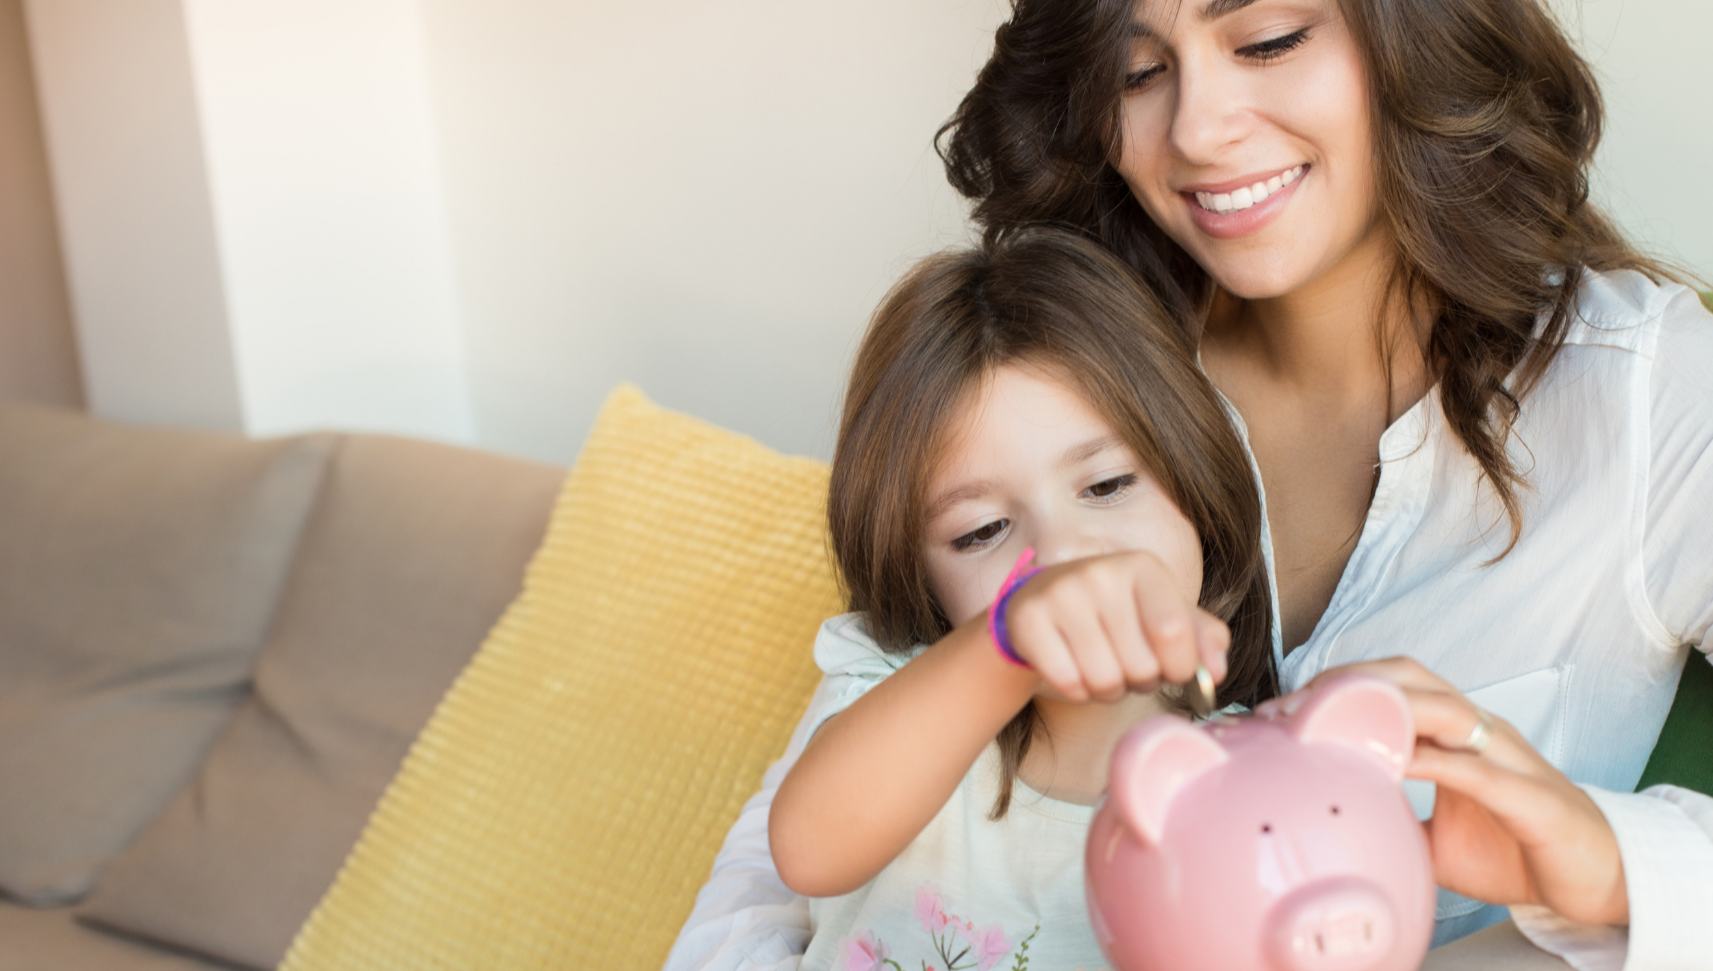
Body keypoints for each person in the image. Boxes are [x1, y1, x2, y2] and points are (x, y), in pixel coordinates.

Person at [665, 0, 1713, 968]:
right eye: (1135, 72)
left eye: (1265, 39)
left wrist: (1610, 860)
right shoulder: (1069, 368)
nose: (1199, 130)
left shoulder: (1647, 392)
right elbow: (773, 886)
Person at [769, 227, 1276, 971]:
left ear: (1197, 480)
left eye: (1105, 485)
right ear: (919, 575)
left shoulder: (1254, 778)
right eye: (981, 531)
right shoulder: (890, 696)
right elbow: (807, 851)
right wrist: (1007, 640)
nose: (1063, 553)